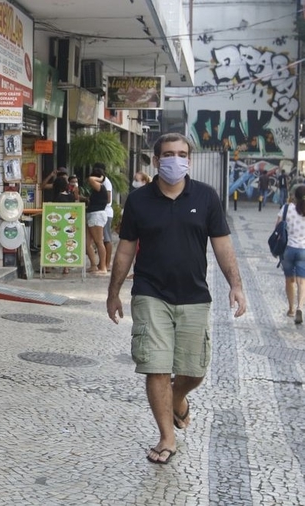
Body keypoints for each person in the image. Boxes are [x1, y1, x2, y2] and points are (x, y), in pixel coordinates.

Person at [106, 132, 247, 465]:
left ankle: (178, 396)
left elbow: (222, 244)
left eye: (182, 154)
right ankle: (166, 437)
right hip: (150, 292)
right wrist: (113, 293)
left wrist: (236, 285)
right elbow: (125, 249)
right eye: (168, 154)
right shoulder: (139, 200)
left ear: (189, 160)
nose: (175, 160)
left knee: (195, 370)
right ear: (156, 161)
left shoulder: (207, 197)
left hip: (194, 295)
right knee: (155, 367)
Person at [279, 185, 305, 323]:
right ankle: (300, 306)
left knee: (290, 280)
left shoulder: (286, 208)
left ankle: (291, 309)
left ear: (295, 195)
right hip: (303, 250)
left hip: (288, 249)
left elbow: (278, 226)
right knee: (302, 281)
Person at [85, 164, 109, 274]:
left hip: (97, 215)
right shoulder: (98, 189)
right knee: (87, 242)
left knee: (99, 241)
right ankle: (94, 265)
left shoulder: (100, 187)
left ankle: (103, 267)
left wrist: (101, 178)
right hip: (92, 214)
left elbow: (90, 179)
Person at [102, 169, 115, 270]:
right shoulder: (103, 182)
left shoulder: (106, 183)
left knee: (107, 238)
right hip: (103, 212)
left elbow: (108, 199)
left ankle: (107, 263)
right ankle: (103, 262)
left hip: (106, 213)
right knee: (103, 239)